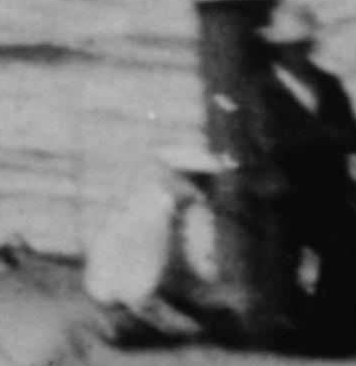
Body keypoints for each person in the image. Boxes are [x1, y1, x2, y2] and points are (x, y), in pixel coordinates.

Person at [251, 1, 356, 351]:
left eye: (304, 44)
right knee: (282, 270)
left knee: (335, 265)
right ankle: (280, 341)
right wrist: (331, 138)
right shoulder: (263, 88)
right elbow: (273, 141)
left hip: (330, 191)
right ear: (279, 47)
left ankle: (323, 337)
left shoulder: (329, 84)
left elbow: (354, 135)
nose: (299, 51)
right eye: (292, 45)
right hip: (287, 193)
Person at [83, 136, 241, 343]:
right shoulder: (156, 216)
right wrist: (183, 324)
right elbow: (140, 292)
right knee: (206, 330)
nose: (208, 191)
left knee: (221, 317)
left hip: (132, 292)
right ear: (186, 180)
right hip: (123, 301)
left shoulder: (157, 203)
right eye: (203, 182)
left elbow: (188, 270)